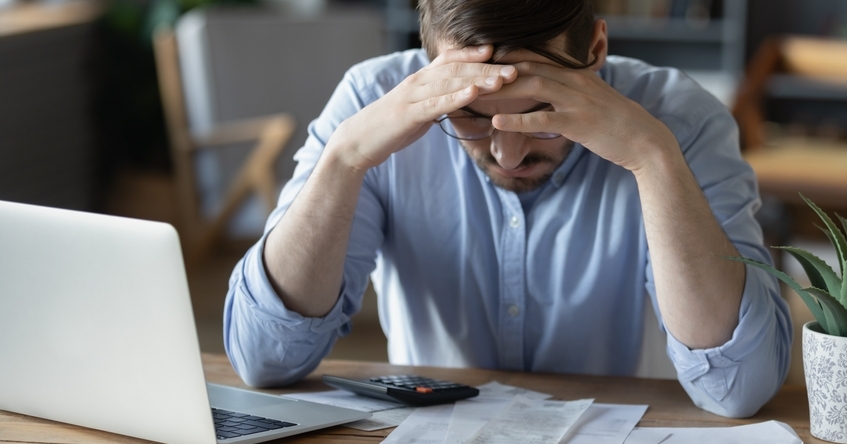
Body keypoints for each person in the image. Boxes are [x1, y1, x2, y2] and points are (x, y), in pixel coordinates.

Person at [223, 0, 792, 418]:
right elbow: (264, 358)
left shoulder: (682, 122)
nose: (508, 152)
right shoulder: (368, 102)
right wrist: (343, 160)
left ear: (595, 50)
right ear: (429, 60)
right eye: (469, 116)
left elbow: (736, 388)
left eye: (542, 111)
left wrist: (652, 158)